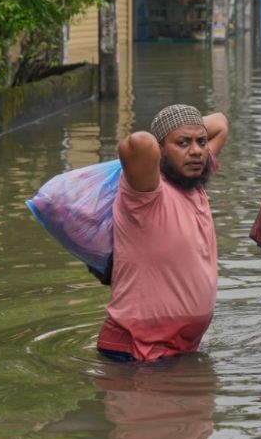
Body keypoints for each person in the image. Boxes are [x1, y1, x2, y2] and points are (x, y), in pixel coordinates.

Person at [96, 104, 229, 362]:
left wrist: (183, 128)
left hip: (180, 351)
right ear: (160, 152)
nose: (196, 151)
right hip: (135, 354)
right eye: (183, 142)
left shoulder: (195, 182)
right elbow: (137, 143)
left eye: (202, 142)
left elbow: (221, 122)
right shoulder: (146, 192)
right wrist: (171, 127)